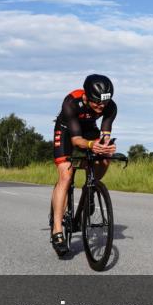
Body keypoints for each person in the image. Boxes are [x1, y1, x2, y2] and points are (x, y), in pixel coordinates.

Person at [50, 74, 118, 256]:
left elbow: (104, 133)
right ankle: (57, 230)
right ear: (86, 96)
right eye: (97, 103)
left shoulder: (110, 107)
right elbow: (76, 140)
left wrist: (105, 145)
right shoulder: (72, 102)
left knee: (105, 157)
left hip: (88, 128)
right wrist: (90, 145)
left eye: (104, 103)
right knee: (66, 174)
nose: (101, 107)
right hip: (67, 130)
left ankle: (90, 187)